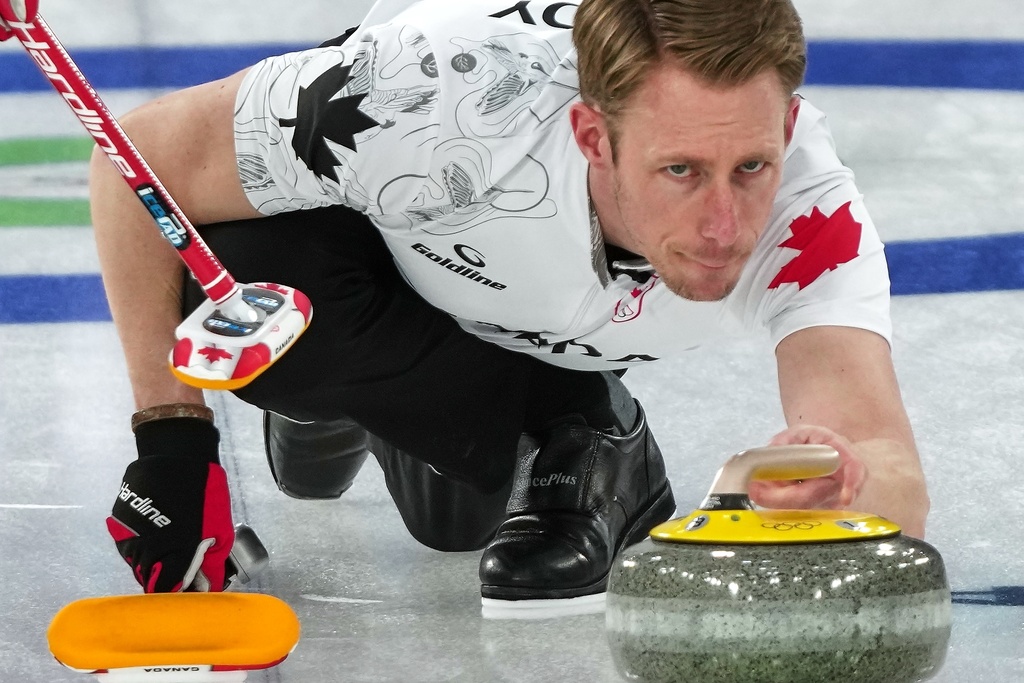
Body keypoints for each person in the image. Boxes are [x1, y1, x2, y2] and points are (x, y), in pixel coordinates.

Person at [76, 0, 928, 617]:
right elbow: (138, 160)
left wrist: (845, 485)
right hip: (382, 246)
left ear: (785, 122)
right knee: (249, 284)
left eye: (752, 165)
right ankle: (564, 417)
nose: (722, 226)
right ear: (594, 136)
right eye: (681, 171)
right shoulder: (425, 92)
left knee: (455, 524)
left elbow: (883, 454)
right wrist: (173, 438)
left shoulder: (808, 211)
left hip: (491, 322)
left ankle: (523, 418)